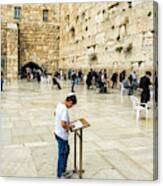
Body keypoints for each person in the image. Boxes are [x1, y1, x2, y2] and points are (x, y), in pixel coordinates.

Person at [54, 93, 77, 179]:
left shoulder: (59, 105)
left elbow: (54, 113)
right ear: (69, 101)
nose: (71, 106)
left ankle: (63, 170)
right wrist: (69, 126)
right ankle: (60, 175)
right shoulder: (64, 109)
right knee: (62, 153)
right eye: (72, 104)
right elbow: (63, 124)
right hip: (62, 135)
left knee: (66, 150)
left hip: (57, 132)